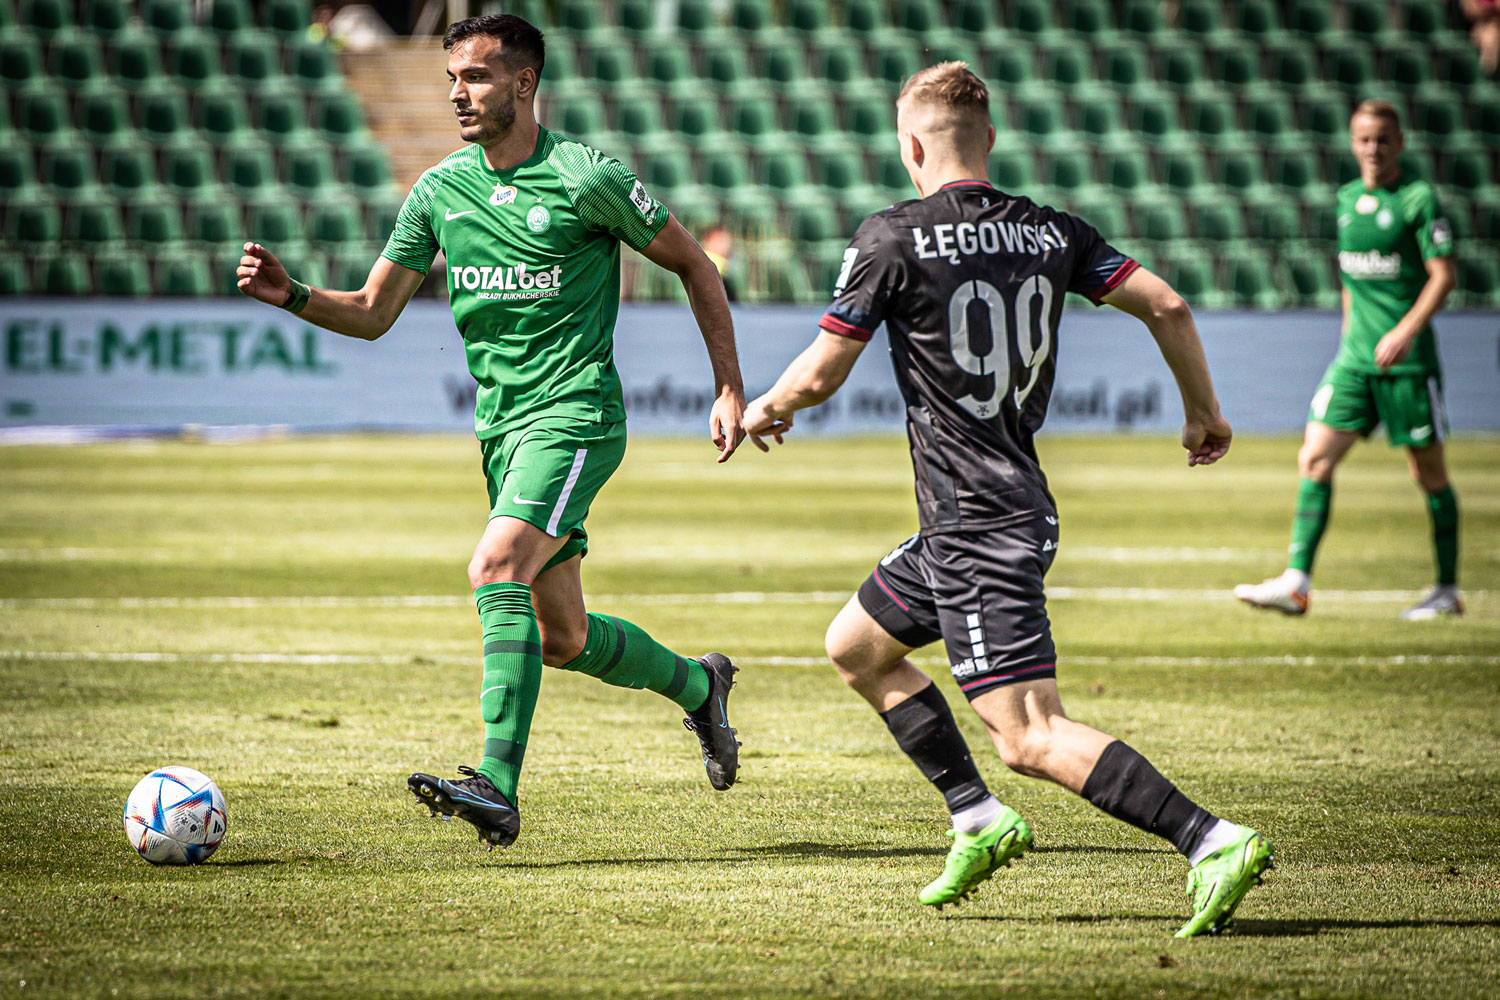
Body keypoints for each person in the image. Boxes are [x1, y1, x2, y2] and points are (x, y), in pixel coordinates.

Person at [742, 63, 1272, 938]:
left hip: (978, 524)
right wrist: (1203, 413)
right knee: (858, 648)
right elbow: (1169, 306)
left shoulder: (892, 235)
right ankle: (977, 817)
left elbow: (823, 373)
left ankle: (1209, 838)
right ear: (988, 139)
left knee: (1029, 735)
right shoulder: (1051, 231)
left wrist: (765, 405)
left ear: (911, 147)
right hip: (990, 509)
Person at [236, 14, 748, 850]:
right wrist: (293, 295)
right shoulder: (439, 191)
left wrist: (728, 387)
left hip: (576, 415)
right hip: (502, 433)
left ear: (523, 82)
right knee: (562, 637)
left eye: (474, 76)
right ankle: (700, 687)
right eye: (452, 78)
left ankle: (496, 786)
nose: (456, 93)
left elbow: (695, 264)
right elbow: (371, 312)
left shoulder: (587, 177)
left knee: (493, 566)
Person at [1234, 99, 1460, 621]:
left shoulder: (1418, 200)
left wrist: (1405, 331)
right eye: (1364, 139)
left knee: (1428, 474)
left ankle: (1447, 590)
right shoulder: (1347, 199)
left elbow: (1444, 275)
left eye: (1382, 139)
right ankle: (1296, 583)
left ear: (1399, 142)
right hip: (1355, 362)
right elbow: (1350, 281)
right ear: (1353, 143)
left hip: (1407, 365)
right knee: (1314, 459)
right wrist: (1346, 337)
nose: (1373, 148)